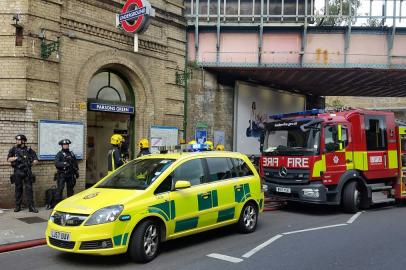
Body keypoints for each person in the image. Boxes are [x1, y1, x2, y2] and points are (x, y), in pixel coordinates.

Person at [7, 134, 39, 213]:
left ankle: (31, 207)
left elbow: (36, 159)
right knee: (18, 189)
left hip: (27, 171)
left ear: (23, 141)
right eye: (17, 140)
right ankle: (18, 206)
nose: (17, 141)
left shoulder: (29, 150)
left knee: (29, 189)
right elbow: (8, 159)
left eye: (19, 140)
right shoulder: (13, 149)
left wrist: (32, 162)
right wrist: (16, 158)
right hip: (18, 171)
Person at [54, 139, 79, 207]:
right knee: (60, 189)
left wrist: (76, 171)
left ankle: (69, 204)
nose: (66, 146)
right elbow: (56, 163)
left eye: (67, 145)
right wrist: (65, 164)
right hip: (62, 174)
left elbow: (75, 163)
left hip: (70, 174)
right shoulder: (59, 154)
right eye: (64, 145)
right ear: (62, 146)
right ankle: (57, 205)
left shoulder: (71, 153)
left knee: (70, 189)